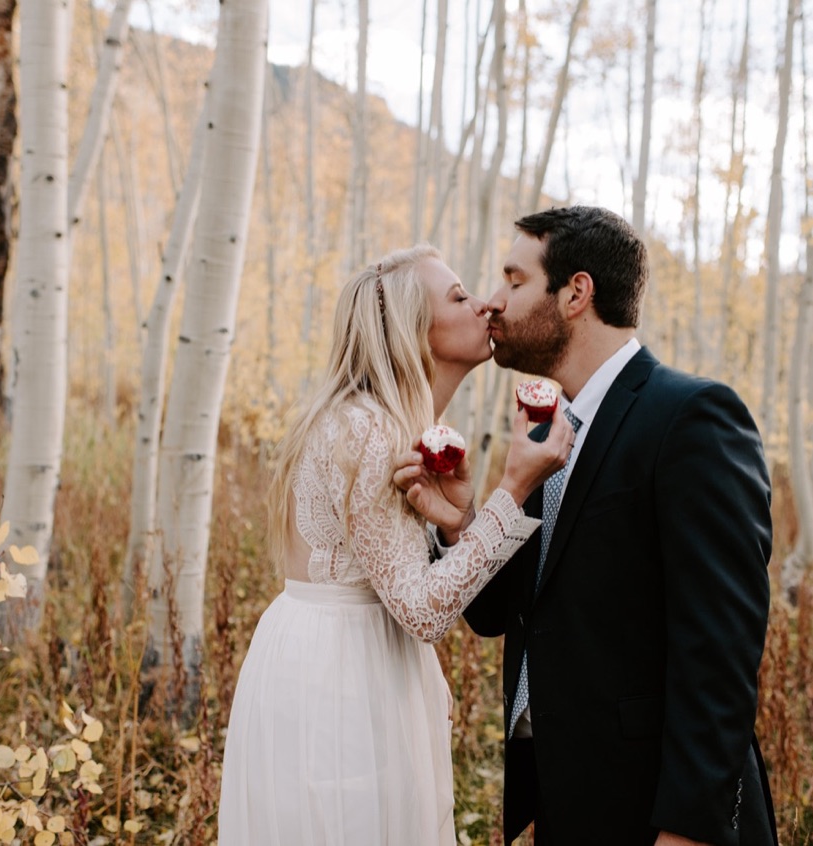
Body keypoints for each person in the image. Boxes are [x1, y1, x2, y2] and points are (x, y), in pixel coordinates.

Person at [396, 207, 777, 845]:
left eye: (514, 281)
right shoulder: (550, 431)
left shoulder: (691, 417)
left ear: (576, 293)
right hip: (572, 800)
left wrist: (687, 832)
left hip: (658, 810)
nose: (494, 302)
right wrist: (461, 523)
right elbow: (498, 613)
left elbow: (721, 650)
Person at [218, 245, 575, 845]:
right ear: (415, 332)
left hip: (343, 660)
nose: (486, 302)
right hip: (340, 684)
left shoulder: (379, 421)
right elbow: (422, 609)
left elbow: (405, 582)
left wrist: (459, 520)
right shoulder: (369, 428)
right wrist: (513, 488)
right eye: (460, 297)